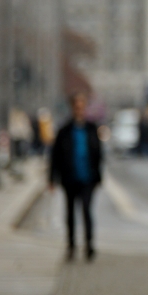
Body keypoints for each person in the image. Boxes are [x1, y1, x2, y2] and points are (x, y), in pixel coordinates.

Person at [49, 93, 104, 260]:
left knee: (87, 211)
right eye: (76, 106)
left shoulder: (91, 129)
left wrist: (98, 176)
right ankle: (71, 246)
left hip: (87, 177)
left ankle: (89, 245)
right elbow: (55, 156)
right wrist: (52, 178)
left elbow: (99, 154)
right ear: (72, 107)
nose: (79, 109)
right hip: (70, 177)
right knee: (70, 213)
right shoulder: (64, 130)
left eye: (82, 105)